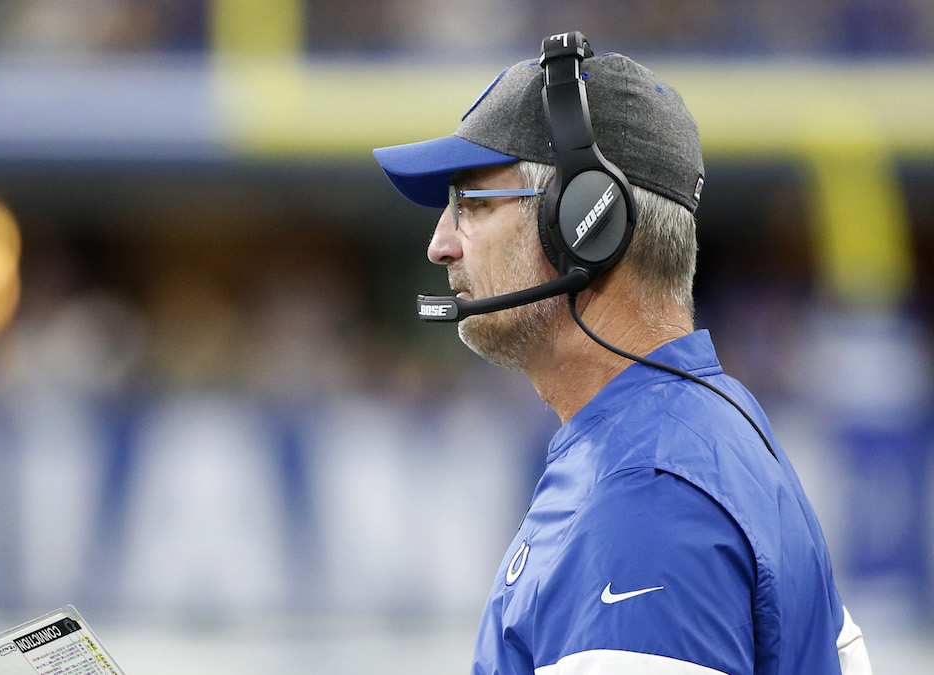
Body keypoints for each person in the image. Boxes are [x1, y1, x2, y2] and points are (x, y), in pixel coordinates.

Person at [372, 32, 872, 675]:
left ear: (585, 223)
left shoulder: (647, 501)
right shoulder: (697, 434)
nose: (440, 245)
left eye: (471, 202)